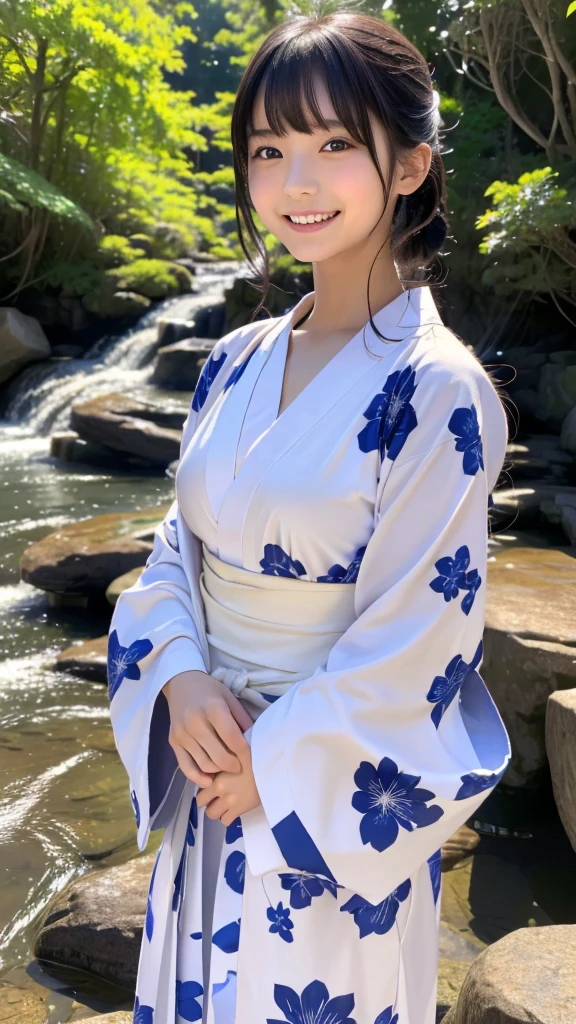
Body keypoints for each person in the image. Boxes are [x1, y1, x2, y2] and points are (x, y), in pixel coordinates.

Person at [107, 11, 511, 1024]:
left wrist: (271, 762)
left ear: (411, 164)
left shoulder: (440, 390)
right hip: (210, 771)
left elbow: (422, 638)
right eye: (268, 150)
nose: (295, 183)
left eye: (335, 145)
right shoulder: (231, 360)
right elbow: (174, 549)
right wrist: (180, 676)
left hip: (318, 815)